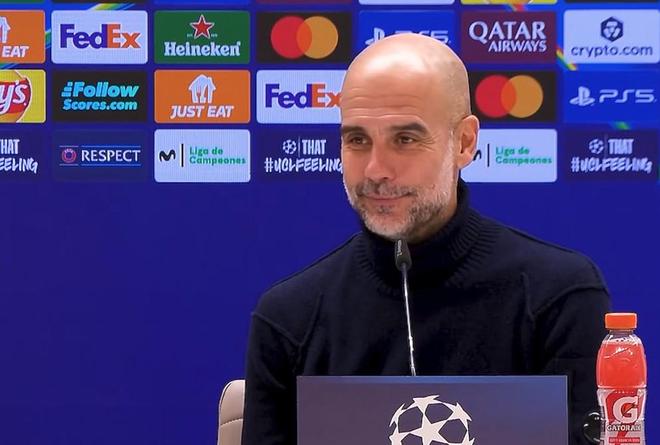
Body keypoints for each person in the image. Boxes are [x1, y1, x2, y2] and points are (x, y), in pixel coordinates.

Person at [241, 34, 610, 445]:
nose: (376, 170)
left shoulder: (559, 297)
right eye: (357, 140)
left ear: (465, 143)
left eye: (405, 139)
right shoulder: (289, 317)